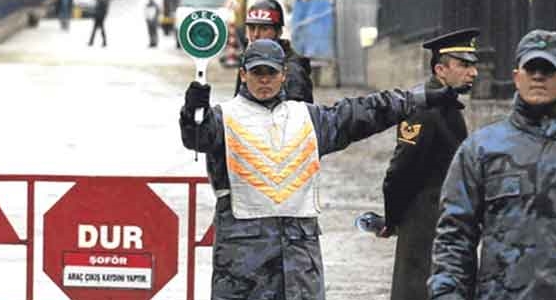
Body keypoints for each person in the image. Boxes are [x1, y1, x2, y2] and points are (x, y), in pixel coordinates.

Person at [179, 39, 462, 300]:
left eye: (271, 73)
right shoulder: (222, 119)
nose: (264, 80)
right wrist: (192, 112)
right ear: (243, 75)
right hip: (242, 268)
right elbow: (197, 137)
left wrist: (420, 98)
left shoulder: (309, 119)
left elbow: (365, 112)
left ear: (284, 75)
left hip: (299, 265)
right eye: (257, 73)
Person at [428, 29, 556, 300]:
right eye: (531, 68)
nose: (538, 77)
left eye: (548, 70)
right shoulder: (482, 150)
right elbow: (455, 236)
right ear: (516, 77)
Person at [359, 28, 480, 300]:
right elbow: (400, 171)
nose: (474, 73)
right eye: (464, 65)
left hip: (442, 223)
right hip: (423, 226)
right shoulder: (424, 109)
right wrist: (392, 219)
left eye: (474, 65)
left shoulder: (447, 106)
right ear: (440, 69)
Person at [233, 0, 314, 103]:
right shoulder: (247, 60)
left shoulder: (293, 71)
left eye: (264, 28)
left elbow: (297, 115)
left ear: (279, 32)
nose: (256, 34)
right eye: (252, 28)